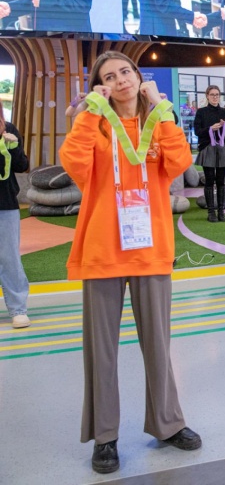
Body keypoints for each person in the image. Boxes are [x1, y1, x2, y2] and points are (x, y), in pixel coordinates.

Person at [58, 51, 201, 475]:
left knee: (158, 344)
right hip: (103, 249)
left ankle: (168, 423)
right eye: (109, 76)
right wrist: (90, 112)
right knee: (101, 350)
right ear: (100, 86)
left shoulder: (158, 121)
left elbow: (180, 163)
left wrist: (161, 108)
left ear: (138, 77)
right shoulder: (95, 124)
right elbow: (75, 164)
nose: (120, 80)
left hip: (150, 248)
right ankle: (105, 436)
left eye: (125, 72)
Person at [0, 107, 31, 329]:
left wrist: (13, 146)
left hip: (5, 203)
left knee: (10, 258)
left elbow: (22, 166)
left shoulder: (9, 129)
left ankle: (18, 309)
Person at [193, 85, 225, 222]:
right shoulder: (201, 112)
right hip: (207, 148)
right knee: (209, 180)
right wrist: (210, 129)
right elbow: (197, 132)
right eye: (212, 94)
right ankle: (211, 212)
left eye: (217, 94)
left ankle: (221, 212)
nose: (215, 97)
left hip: (222, 148)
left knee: (221, 181)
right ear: (207, 96)